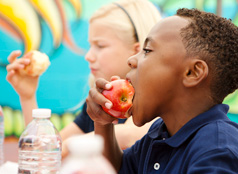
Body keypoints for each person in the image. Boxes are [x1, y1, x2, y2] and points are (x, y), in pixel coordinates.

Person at [86, 8, 238, 173]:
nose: (131, 60)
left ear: (192, 73)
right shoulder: (161, 133)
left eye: (147, 51)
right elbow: (117, 169)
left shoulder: (216, 151)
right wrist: (102, 123)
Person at [6, 0, 161, 158]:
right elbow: (42, 154)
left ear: (136, 50)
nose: (88, 56)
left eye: (100, 46)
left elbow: (129, 136)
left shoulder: (157, 99)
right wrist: (27, 96)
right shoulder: (99, 102)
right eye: (90, 46)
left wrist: (67, 146)